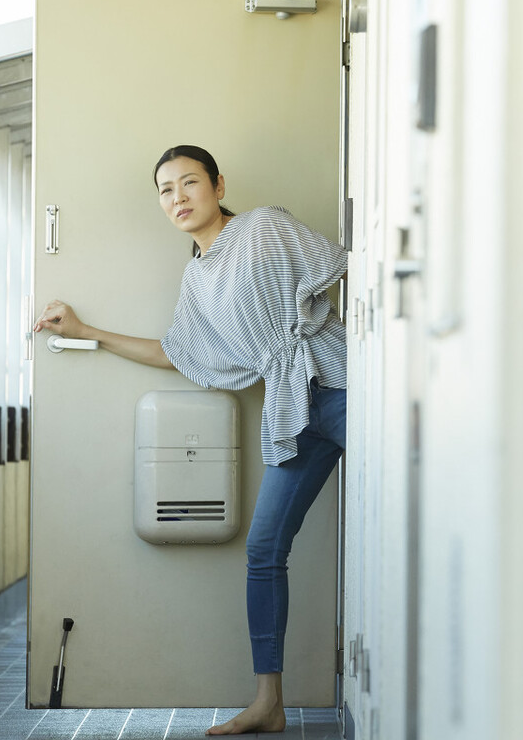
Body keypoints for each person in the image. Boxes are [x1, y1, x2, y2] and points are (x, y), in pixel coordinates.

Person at [34, 144, 347, 736]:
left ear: (218, 184)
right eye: (165, 189)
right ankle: (269, 703)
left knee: (411, 523)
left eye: (189, 183)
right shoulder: (198, 279)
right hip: (292, 413)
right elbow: (175, 353)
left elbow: (345, 266)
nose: (177, 197)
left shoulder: (263, 227)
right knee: (263, 551)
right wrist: (86, 331)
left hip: (346, 388)